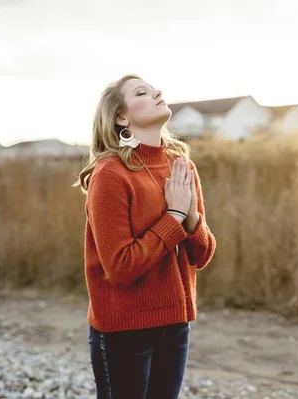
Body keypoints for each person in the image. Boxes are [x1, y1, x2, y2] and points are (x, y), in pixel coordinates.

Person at [75, 74, 217, 398]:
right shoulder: (110, 174)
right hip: (124, 331)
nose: (157, 93)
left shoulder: (182, 166)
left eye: (154, 89)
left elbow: (202, 256)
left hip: (176, 323)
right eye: (142, 92)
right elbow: (120, 268)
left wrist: (192, 217)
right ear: (121, 117)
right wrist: (174, 217)